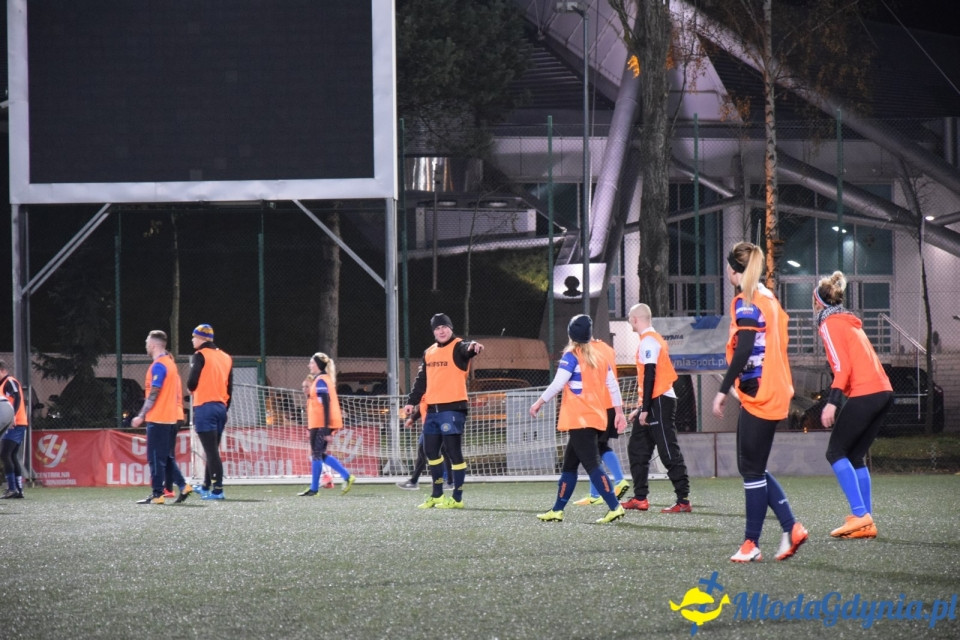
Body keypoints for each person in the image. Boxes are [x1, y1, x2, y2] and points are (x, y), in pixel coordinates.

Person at [712, 242, 808, 562]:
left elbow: (744, 349)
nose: (727, 272)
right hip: (773, 390)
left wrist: (723, 389)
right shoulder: (769, 299)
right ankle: (790, 527)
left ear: (734, 270)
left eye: (728, 267)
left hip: (760, 393)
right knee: (752, 467)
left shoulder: (747, 301)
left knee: (751, 469)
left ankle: (751, 544)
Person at [813, 271, 893, 540]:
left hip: (866, 392)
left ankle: (860, 516)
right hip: (883, 391)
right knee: (855, 455)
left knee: (835, 452)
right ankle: (865, 521)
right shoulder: (849, 322)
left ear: (818, 304)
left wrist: (831, 403)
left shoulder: (828, 324)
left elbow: (842, 368)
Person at [530, 314, 627, 524]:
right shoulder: (601, 358)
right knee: (569, 466)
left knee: (593, 466)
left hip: (579, 420)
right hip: (596, 418)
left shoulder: (571, 356)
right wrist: (619, 413)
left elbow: (557, 385)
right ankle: (557, 510)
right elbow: (613, 387)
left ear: (570, 334)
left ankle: (615, 506)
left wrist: (538, 403)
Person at [403, 313, 483, 509]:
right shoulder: (429, 352)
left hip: (453, 408)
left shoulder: (459, 346)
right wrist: (411, 402)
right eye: (437, 328)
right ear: (433, 332)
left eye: (444, 327)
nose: (441, 330)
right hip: (432, 410)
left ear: (450, 328)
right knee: (430, 451)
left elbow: (467, 349)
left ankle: (456, 498)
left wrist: (473, 347)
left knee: (453, 452)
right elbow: (422, 380)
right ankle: (437, 495)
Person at [621, 303, 692, 513]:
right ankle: (640, 498)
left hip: (660, 401)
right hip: (654, 401)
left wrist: (645, 409)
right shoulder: (649, 340)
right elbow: (649, 377)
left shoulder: (649, 341)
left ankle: (683, 501)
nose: (629, 322)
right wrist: (641, 407)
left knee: (668, 450)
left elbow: (651, 374)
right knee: (637, 448)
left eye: (629, 318)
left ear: (635, 319)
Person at [131, 330, 192, 504]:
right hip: (170, 416)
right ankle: (182, 485)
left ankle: (157, 494)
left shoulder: (159, 365)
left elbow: (154, 393)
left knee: (155, 458)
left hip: (159, 417)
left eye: (147, 341)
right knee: (165, 457)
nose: (146, 344)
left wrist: (141, 415)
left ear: (153, 344)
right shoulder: (170, 363)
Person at [572, 336, 630, 505]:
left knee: (593, 449)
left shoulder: (584, 350)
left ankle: (616, 482)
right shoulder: (607, 348)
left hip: (597, 405)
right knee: (599, 447)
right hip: (611, 404)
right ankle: (597, 493)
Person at [186, 323, 233, 500]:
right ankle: (206, 485)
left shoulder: (199, 355)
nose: (192, 340)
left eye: (194, 336)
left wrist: (192, 388)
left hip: (204, 406)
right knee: (212, 449)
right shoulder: (226, 357)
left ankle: (218, 489)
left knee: (211, 452)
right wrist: (223, 407)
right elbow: (230, 388)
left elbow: (191, 382)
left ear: (203, 338)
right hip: (221, 407)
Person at [298, 352, 356, 496]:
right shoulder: (319, 379)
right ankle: (346, 477)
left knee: (317, 454)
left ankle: (314, 488)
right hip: (315, 424)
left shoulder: (321, 381)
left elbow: (326, 404)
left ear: (317, 364)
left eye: (311, 362)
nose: (309, 365)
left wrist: (326, 429)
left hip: (320, 425)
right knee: (318, 454)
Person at [397, 402, 454, 491]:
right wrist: (412, 418)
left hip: (439, 424)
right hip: (429, 426)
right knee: (422, 452)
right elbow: (424, 407)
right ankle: (414, 481)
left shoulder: (434, 392)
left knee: (444, 452)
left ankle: (449, 481)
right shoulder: (425, 393)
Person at [0, 361, 28, 499]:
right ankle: (18, 490)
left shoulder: (9, 381)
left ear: (2, 370)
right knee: (11, 455)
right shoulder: (3, 384)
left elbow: (17, 398)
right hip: (14, 423)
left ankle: (12, 489)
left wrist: (12, 417)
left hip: (14, 424)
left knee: (5, 454)